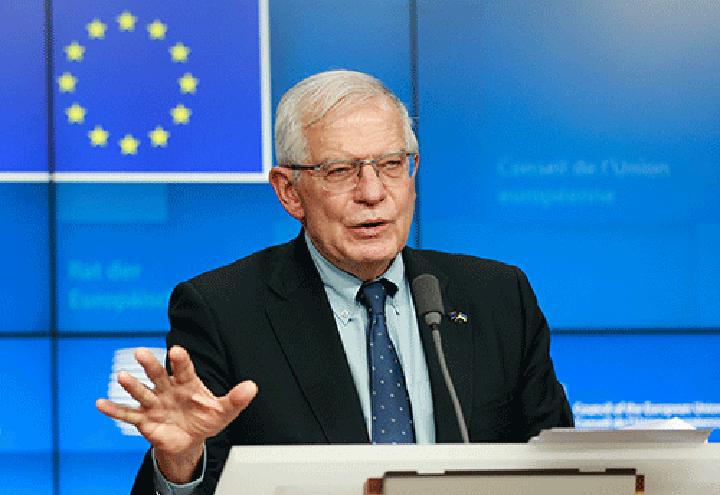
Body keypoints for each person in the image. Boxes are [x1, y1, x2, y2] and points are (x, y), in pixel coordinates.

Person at [97, 70, 573, 495]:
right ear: (289, 192)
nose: (373, 193)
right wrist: (181, 464)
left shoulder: (497, 297)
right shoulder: (223, 312)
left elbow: (566, 475)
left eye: (391, 165)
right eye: (341, 171)